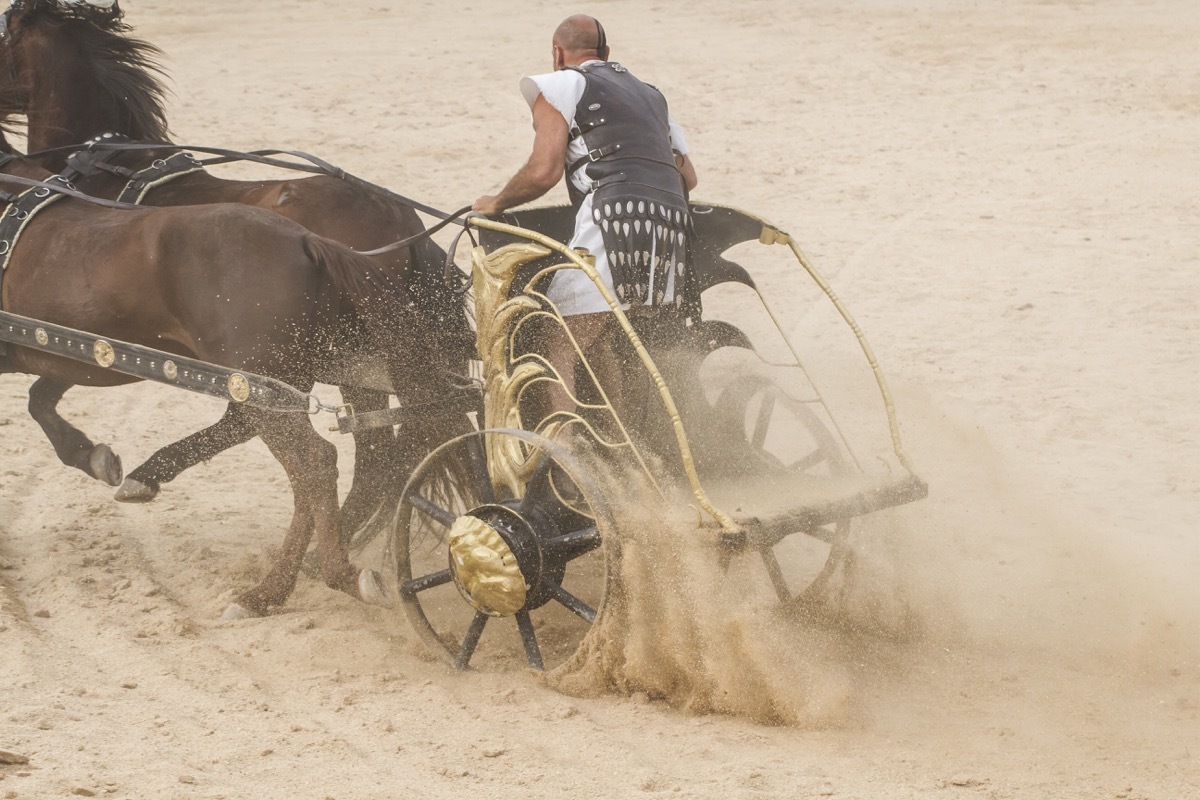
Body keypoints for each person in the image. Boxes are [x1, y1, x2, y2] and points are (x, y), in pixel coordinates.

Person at [473, 13, 698, 425]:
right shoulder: (652, 96)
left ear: (558, 53)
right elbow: (690, 178)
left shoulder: (558, 84)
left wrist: (496, 203)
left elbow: (543, 172)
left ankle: (569, 465)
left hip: (614, 219)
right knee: (591, 338)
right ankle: (617, 451)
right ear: (606, 54)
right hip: (669, 229)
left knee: (551, 344)